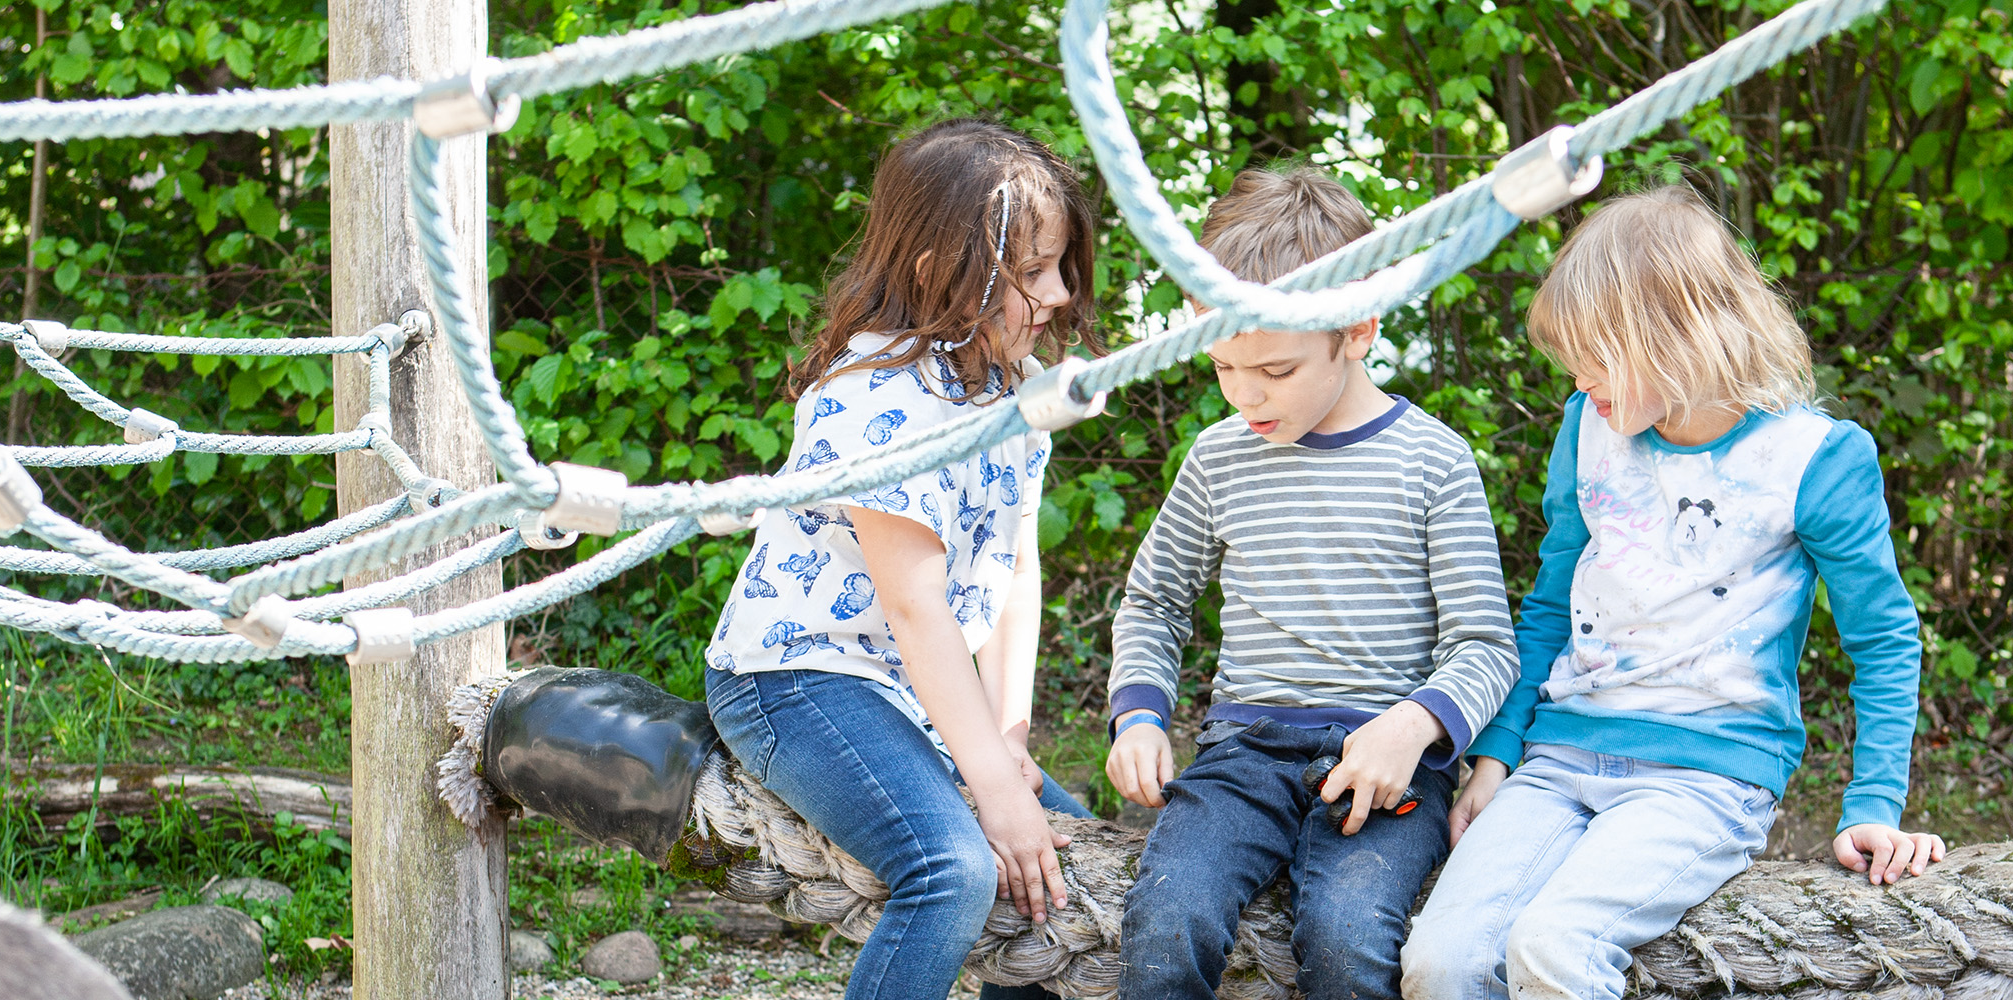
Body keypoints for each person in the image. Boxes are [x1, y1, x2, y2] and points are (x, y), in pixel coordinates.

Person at [1399, 185, 1949, 1000]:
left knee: (1553, 947)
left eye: (1597, 356)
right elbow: (1552, 602)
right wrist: (1498, 750)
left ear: (1677, 333)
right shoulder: (1588, 428)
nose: (1582, 382)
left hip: (1705, 774)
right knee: (1439, 961)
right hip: (1558, 760)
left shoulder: (1814, 459)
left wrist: (1871, 803)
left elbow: (1885, 639)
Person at [701, 118, 1104, 1000]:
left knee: (1067, 862)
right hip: (797, 680)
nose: (1061, 294)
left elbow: (1014, 569)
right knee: (953, 868)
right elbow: (919, 608)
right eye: (1033, 274)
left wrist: (1008, 743)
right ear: (940, 279)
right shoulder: (875, 395)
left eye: (1061, 267)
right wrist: (990, 789)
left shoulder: (1007, 386)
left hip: (911, 690)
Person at [1104, 163, 1521, 1000]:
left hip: (1388, 763)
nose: (1246, 394)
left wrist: (1412, 729)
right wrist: (1139, 714)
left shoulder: (1433, 461)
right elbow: (1154, 599)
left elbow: (1484, 645)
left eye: (1277, 371)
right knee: (1167, 920)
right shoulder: (1219, 456)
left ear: (1357, 330)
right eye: (1223, 367)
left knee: (1345, 939)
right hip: (1245, 753)